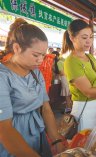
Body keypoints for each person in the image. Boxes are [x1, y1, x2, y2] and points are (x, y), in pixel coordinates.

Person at [0, 18, 66, 157]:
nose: (40, 60)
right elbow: (4, 129)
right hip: (12, 142)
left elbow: (46, 109)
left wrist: (56, 140)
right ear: (17, 48)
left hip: (37, 134)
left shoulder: (36, 73)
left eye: (43, 55)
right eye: (36, 55)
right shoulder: (3, 77)